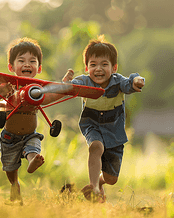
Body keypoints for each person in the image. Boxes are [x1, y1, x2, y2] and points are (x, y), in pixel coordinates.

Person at [62, 35, 145, 202]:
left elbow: (129, 83)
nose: (98, 69)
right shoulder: (84, 81)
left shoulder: (118, 81)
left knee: (111, 179)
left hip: (114, 131)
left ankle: (99, 183)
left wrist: (136, 80)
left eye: (104, 64)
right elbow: (69, 88)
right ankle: (93, 187)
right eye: (93, 65)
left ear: (114, 67)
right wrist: (66, 83)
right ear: (86, 68)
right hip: (91, 125)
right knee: (96, 146)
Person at [0, 37, 58, 205]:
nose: (27, 64)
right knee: (10, 168)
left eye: (32, 61)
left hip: (30, 134)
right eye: (22, 60)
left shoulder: (38, 89)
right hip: (9, 137)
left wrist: (66, 84)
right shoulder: (9, 87)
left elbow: (52, 96)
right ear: (11, 67)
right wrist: (0, 92)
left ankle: (33, 160)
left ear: (39, 68)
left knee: (33, 147)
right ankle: (14, 185)